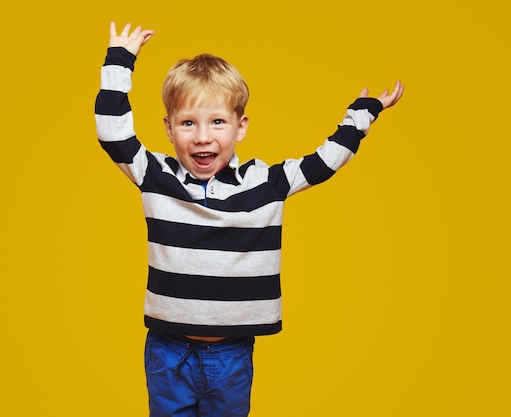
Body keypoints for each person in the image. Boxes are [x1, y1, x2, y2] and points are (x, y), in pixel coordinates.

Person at [95, 21, 404, 417]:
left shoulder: (265, 182)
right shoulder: (156, 176)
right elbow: (112, 133)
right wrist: (120, 60)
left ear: (240, 127)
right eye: (188, 123)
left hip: (232, 353)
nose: (203, 137)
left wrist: (363, 114)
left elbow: (325, 162)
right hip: (168, 351)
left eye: (217, 122)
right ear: (169, 130)